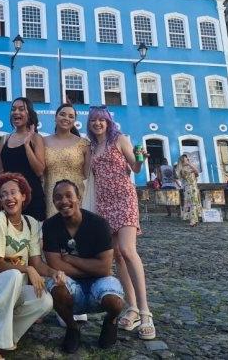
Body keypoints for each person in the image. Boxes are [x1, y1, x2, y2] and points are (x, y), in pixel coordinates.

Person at [0, 173, 63, 360]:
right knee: (14, 275)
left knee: (45, 300)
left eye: (13, 193)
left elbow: (36, 263)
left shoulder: (32, 224)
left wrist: (54, 272)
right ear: (0, 201)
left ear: (23, 196)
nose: (9, 198)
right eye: (3, 195)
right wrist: (26, 269)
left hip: (10, 290)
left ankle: (8, 338)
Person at [87, 106, 155, 341]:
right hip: (104, 204)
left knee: (128, 250)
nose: (98, 123)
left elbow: (134, 167)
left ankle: (146, 312)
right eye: (94, 120)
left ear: (108, 122)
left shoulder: (120, 139)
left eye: (101, 120)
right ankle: (132, 307)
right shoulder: (92, 147)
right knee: (116, 255)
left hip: (124, 199)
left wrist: (141, 158)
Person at [43, 180, 124, 353]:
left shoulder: (98, 224)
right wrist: (90, 266)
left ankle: (111, 321)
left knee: (115, 302)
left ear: (78, 197)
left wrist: (71, 260)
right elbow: (55, 266)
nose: (64, 201)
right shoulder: (50, 226)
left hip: (99, 282)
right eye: (58, 198)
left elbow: (104, 268)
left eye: (68, 196)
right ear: (53, 202)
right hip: (72, 284)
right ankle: (72, 328)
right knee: (57, 287)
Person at [0, 97, 47, 221]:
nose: (16, 112)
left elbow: (39, 170)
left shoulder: (36, 138)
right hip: (10, 200)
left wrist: (26, 145)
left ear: (29, 113)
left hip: (32, 197)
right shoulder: (5, 139)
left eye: (21, 109)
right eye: (13, 109)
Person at [43, 103, 90, 219]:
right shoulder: (42, 142)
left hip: (76, 196)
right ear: (55, 117)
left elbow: (88, 175)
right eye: (62, 114)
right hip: (52, 197)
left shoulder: (84, 144)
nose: (66, 118)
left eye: (71, 116)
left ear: (74, 121)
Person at [176, 154, 200, 227]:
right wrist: (189, 165)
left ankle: (195, 220)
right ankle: (192, 221)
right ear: (183, 161)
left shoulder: (189, 168)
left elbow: (197, 172)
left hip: (194, 188)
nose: (188, 160)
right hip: (189, 189)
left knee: (195, 204)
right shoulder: (182, 170)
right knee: (191, 204)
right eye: (186, 159)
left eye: (188, 159)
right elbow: (186, 176)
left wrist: (190, 164)